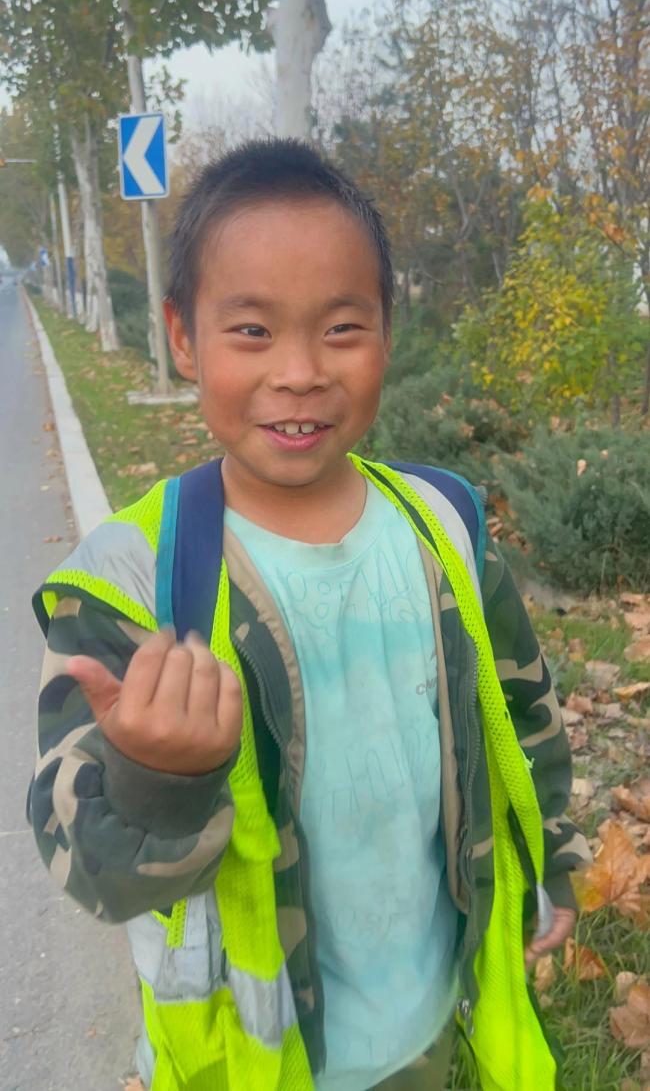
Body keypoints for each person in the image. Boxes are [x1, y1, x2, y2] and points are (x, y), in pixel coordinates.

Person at [29, 139, 590, 1091]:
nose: (299, 372)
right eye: (252, 330)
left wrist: (556, 859)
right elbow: (90, 868)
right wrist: (156, 779)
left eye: (341, 328)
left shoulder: (444, 526)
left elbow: (522, 713)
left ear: (386, 334)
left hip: (428, 1019)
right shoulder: (133, 578)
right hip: (257, 1059)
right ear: (182, 337)